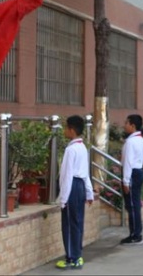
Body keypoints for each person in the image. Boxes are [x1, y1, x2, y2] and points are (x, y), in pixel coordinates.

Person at [56, 115, 94, 270]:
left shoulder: (71, 150)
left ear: (72, 130)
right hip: (80, 187)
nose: (64, 131)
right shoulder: (82, 147)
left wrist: (63, 199)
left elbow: (67, 175)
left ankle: (72, 258)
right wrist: (89, 192)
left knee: (69, 224)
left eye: (66, 128)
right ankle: (77, 255)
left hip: (72, 187)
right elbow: (85, 173)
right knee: (77, 222)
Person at [120, 114, 143, 245]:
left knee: (132, 206)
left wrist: (126, 181)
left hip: (132, 174)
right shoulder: (139, 139)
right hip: (138, 172)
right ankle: (136, 233)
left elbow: (128, 162)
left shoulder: (131, 142)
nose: (124, 125)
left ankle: (135, 235)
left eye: (126, 123)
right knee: (135, 205)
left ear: (133, 125)